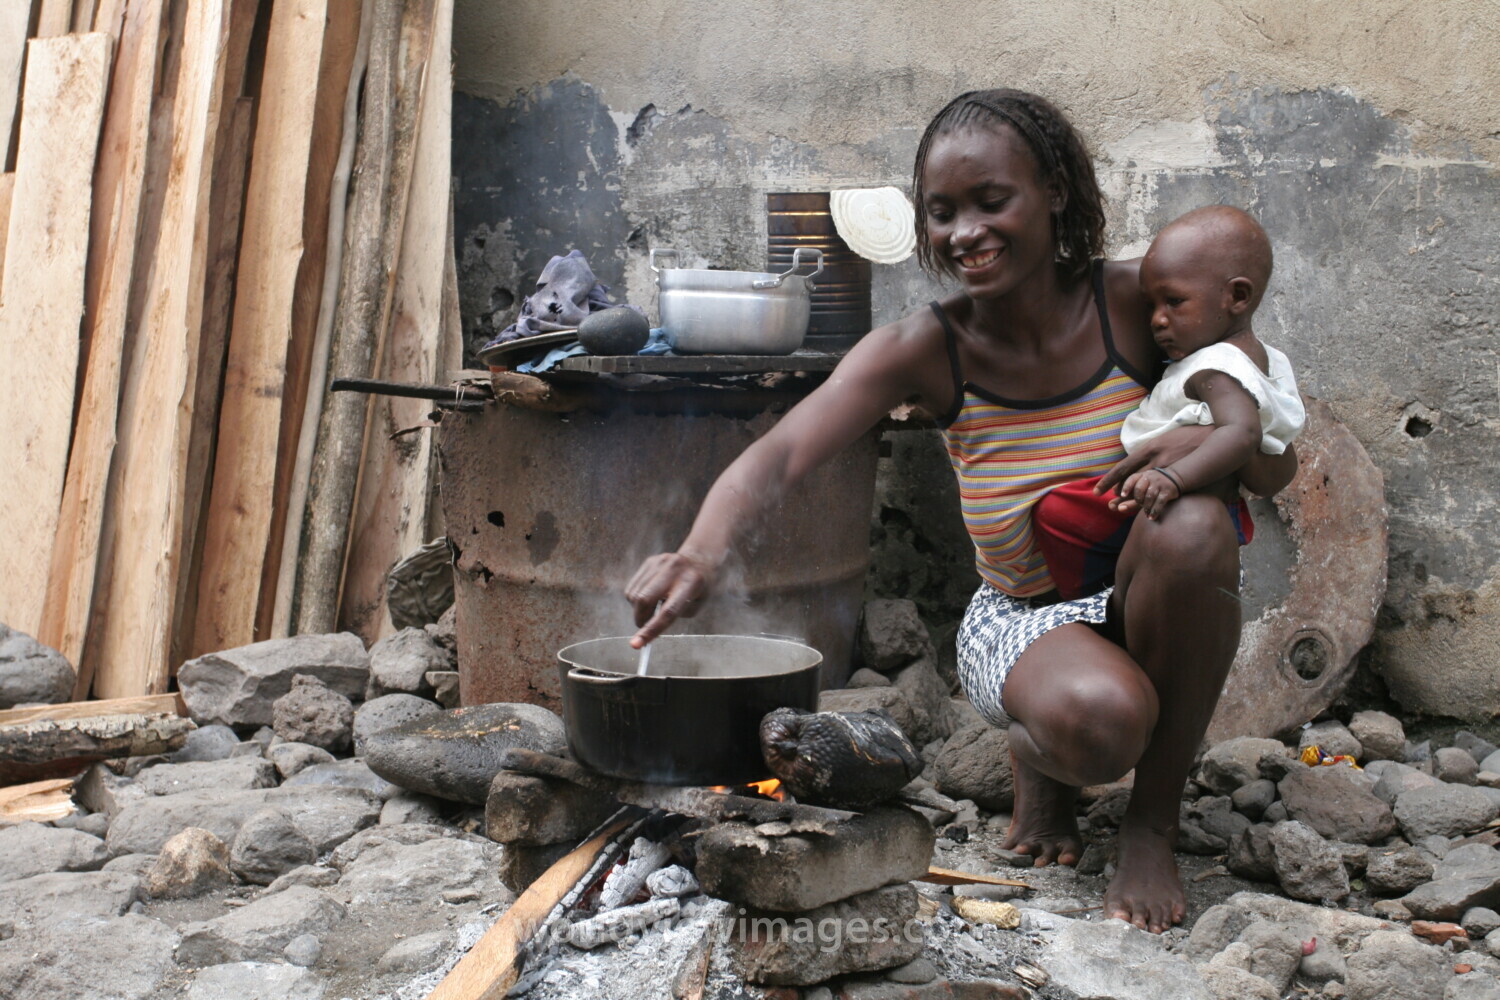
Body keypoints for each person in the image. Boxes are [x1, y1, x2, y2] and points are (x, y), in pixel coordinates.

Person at [625, 89, 1297, 932]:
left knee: (1196, 525)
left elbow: (1275, 462)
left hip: (1141, 589)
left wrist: (1219, 448)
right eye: (941, 213)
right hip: (1018, 618)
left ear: (1054, 191)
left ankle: (1150, 826)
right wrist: (701, 551)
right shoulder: (927, 347)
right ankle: (1037, 746)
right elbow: (784, 451)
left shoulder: (1143, 305)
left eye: (991, 201)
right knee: (1103, 724)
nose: (964, 233)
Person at [1031, 206, 1304, 600]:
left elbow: (1243, 432)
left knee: (1058, 514)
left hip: (1179, 496)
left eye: (1174, 301)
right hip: (1197, 501)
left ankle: (1094, 604)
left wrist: (1173, 480)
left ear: (1237, 297)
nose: (1157, 320)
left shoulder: (1215, 368)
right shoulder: (1256, 358)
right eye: (1151, 306)